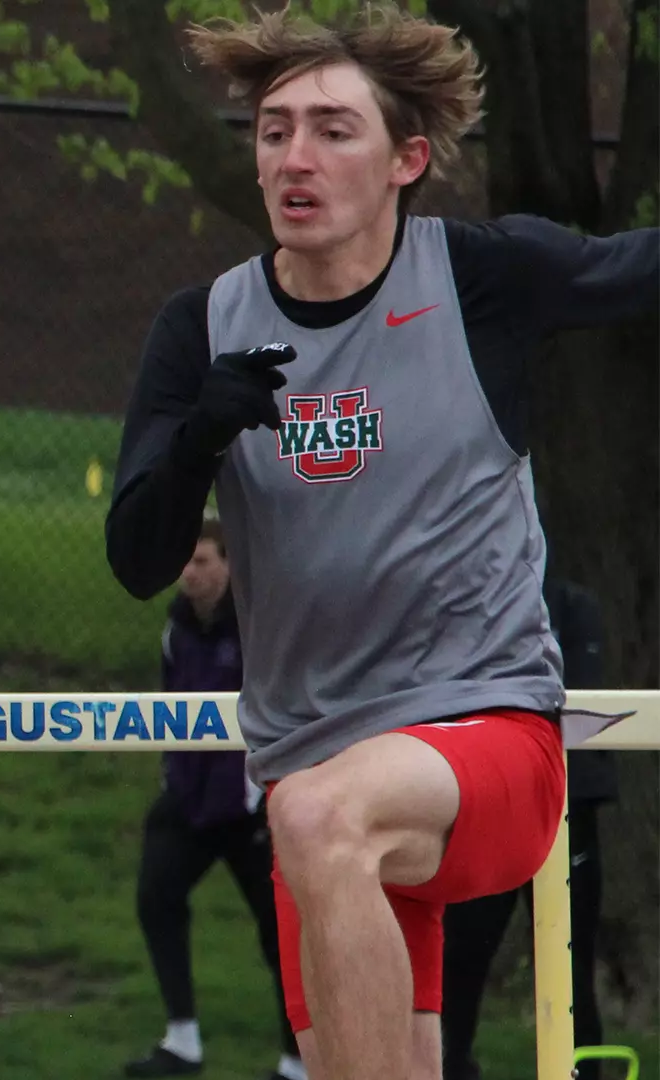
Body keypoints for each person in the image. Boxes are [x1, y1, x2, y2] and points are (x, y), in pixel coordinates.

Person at [102, 3, 658, 1077]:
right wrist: (198, 441)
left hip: (485, 734)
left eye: (332, 130)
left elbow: (639, 267)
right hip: (316, 775)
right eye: (273, 131)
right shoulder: (203, 328)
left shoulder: (481, 279)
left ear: (407, 159)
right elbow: (137, 562)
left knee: (320, 815)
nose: (294, 158)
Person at [125, 517, 304, 1080]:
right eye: (183, 561)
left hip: (252, 807)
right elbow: (167, 705)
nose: (189, 573)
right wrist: (172, 776)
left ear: (229, 564)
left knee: (282, 931)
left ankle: (299, 1062)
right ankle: (182, 1042)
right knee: (156, 896)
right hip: (189, 800)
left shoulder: (259, 627)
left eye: (201, 561)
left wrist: (271, 791)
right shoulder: (175, 629)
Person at [440, 575, 615, 1080]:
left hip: (566, 814)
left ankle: (582, 1071)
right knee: (459, 962)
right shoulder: (463, 609)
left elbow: (582, 715)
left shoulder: (573, 607)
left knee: (571, 967)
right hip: (489, 810)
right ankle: (448, 1067)